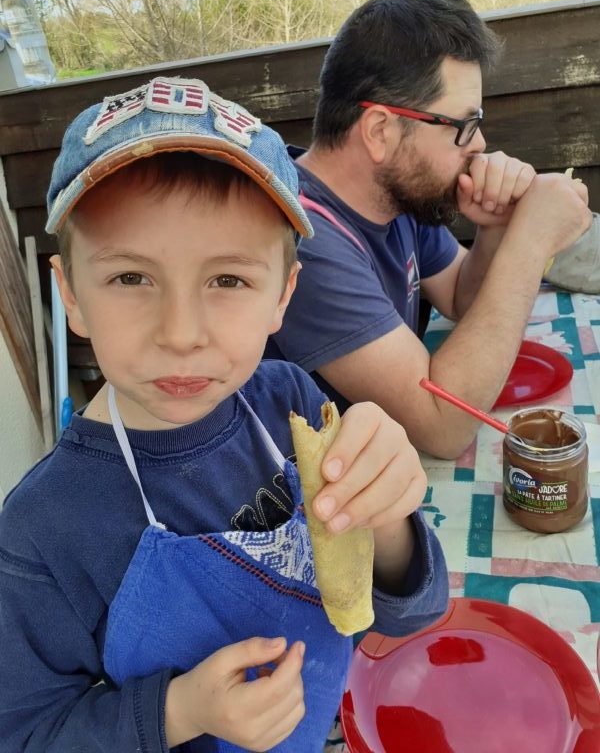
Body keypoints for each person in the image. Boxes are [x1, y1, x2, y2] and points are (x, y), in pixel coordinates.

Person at [0, 77, 448, 752]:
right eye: (130, 278)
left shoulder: (294, 404)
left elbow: (410, 615)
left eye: (228, 279)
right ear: (71, 295)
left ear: (282, 296)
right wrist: (177, 712)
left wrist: (386, 518)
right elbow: (26, 733)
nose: (181, 333)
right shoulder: (44, 530)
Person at [265, 0, 592, 460]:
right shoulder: (301, 238)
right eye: (463, 125)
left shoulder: (396, 195)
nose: (478, 143)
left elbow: (460, 296)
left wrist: (496, 230)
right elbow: (445, 424)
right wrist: (531, 240)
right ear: (380, 131)